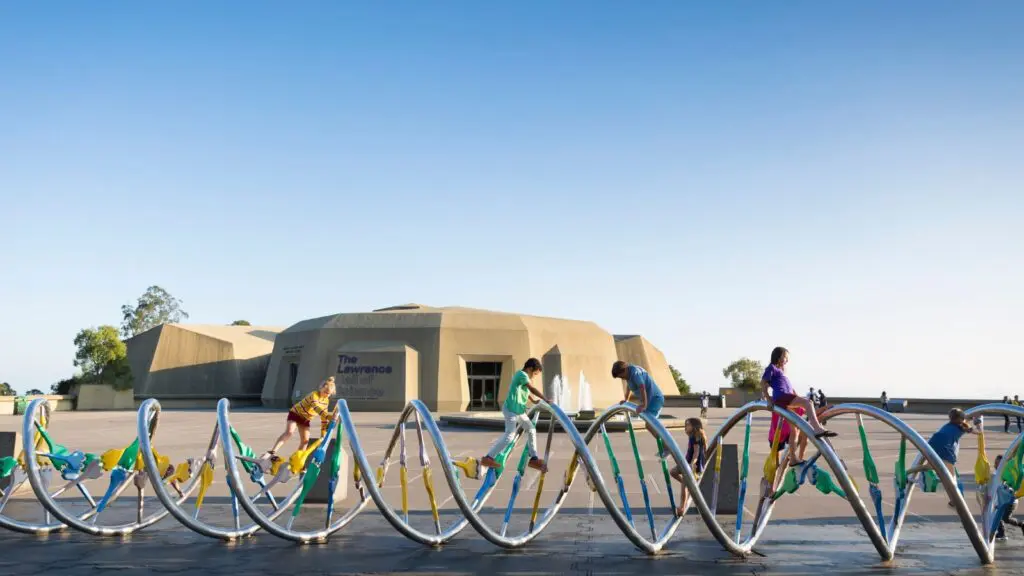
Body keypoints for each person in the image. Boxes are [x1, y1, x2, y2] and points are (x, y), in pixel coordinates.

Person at [480, 358, 549, 472]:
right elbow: (531, 389)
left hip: (519, 411)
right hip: (511, 410)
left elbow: (525, 392)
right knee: (509, 436)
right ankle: (488, 457)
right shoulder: (521, 374)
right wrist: (545, 399)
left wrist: (534, 401)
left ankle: (534, 458)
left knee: (531, 429)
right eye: (535, 373)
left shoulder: (524, 378)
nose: (534, 376)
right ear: (530, 369)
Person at [760, 347, 836, 444]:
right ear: (778, 357)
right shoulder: (771, 368)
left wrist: (797, 396)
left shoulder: (781, 371)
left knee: (796, 425)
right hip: (782, 397)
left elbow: (790, 388)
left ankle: (793, 458)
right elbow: (763, 383)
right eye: (785, 357)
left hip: (786, 396)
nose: (787, 360)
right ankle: (817, 429)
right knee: (808, 403)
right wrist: (768, 400)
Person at [906, 408, 979, 506]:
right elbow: (979, 432)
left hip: (933, 443)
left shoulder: (948, 425)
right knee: (951, 477)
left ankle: (906, 474)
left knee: (929, 466)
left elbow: (962, 420)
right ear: (961, 419)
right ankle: (954, 499)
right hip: (945, 448)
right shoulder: (963, 426)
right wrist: (978, 423)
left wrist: (967, 419)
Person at [261, 376, 336, 461]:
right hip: (296, 413)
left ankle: (298, 459)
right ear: (321, 388)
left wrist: (323, 434)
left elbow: (323, 419)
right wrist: (328, 416)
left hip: (305, 419)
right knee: (289, 432)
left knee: (305, 441)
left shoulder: (326, 401)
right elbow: (316, 407)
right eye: (325, 392)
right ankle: (272, 452)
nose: (326, 394)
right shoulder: (314, 395)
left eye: (328, 393)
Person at [667, 417, 707, 516]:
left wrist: (693, 463)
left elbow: (696, 452)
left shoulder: (697, 437)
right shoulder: (692, 436)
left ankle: (682, 508)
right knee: (673, 472)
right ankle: (688, 485)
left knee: (683, 487)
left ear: (694, 426)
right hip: (686, 462)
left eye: (688, 425)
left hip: (692, 465)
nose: (686, 427)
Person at [994, 454, 1024, 541]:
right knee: (998, 514)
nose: (995, 465)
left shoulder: (1007, 474)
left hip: (1011, 500)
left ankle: (1021, 524)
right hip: (1004, 500)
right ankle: (1001, 533)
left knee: (1005, 517)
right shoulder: (996, 475)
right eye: (995, 463)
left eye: (998, 463)